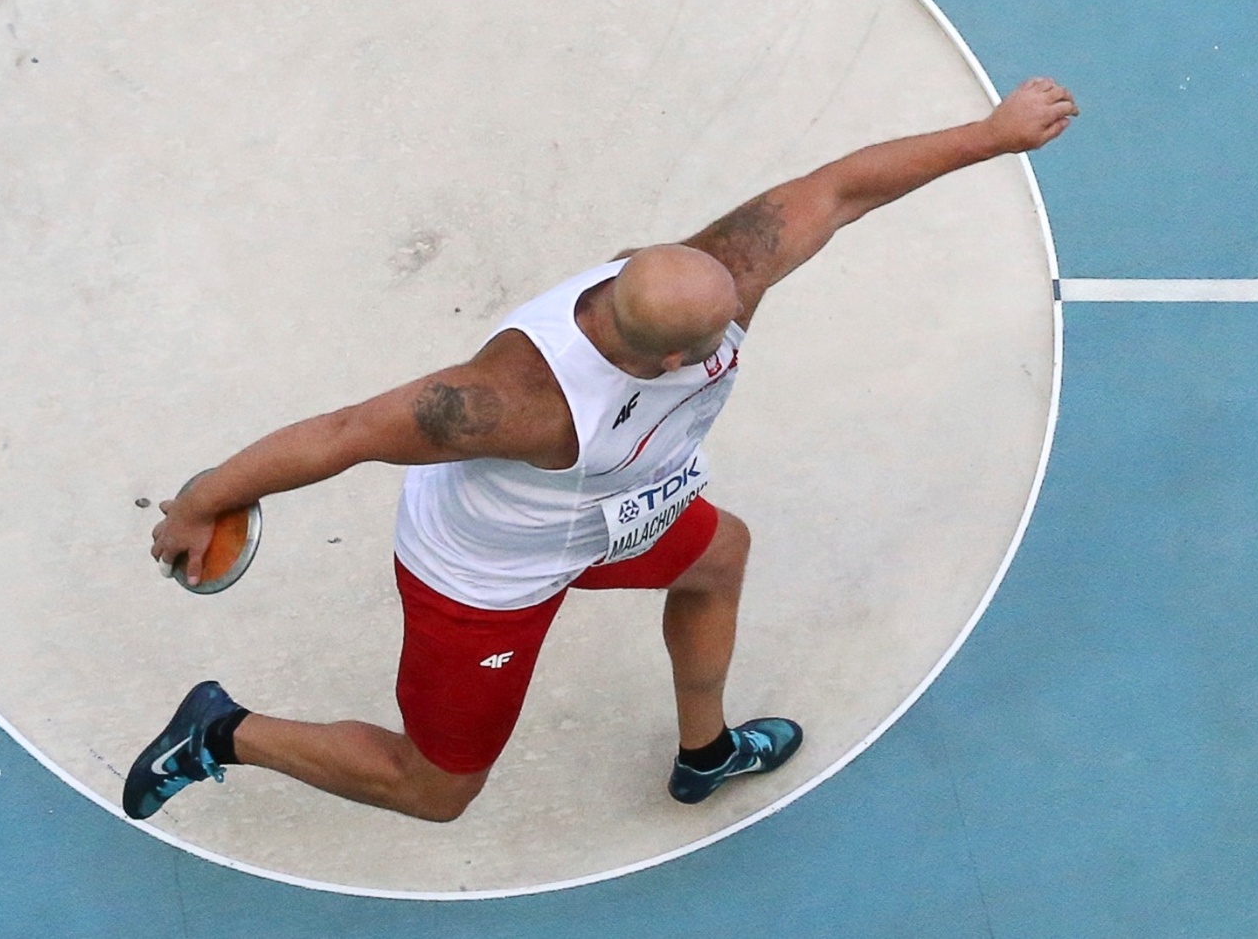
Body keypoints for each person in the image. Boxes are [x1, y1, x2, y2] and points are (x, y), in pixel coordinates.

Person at [126, 77, 1079, 823]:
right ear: (665, 358)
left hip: (615, 517)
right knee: (437, 790)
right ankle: (221, 731)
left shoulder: (707, 278)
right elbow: (339, 436)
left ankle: (704, 754)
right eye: (724, 320)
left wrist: (992, 134)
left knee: (720, 556)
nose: (748, 300)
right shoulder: (510, 402)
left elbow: (840, 190)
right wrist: (198, 503)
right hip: (488, 578)